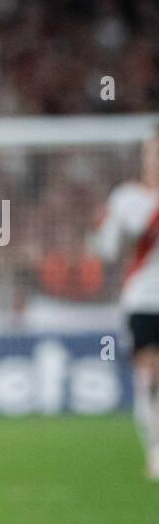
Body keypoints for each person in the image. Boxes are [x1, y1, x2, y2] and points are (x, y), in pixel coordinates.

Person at [93, 128, 159, 480]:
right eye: (154, 152)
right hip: (144, 298)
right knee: (148, 374)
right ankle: (155, 448)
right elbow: (120, 242)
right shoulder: (129, 197)